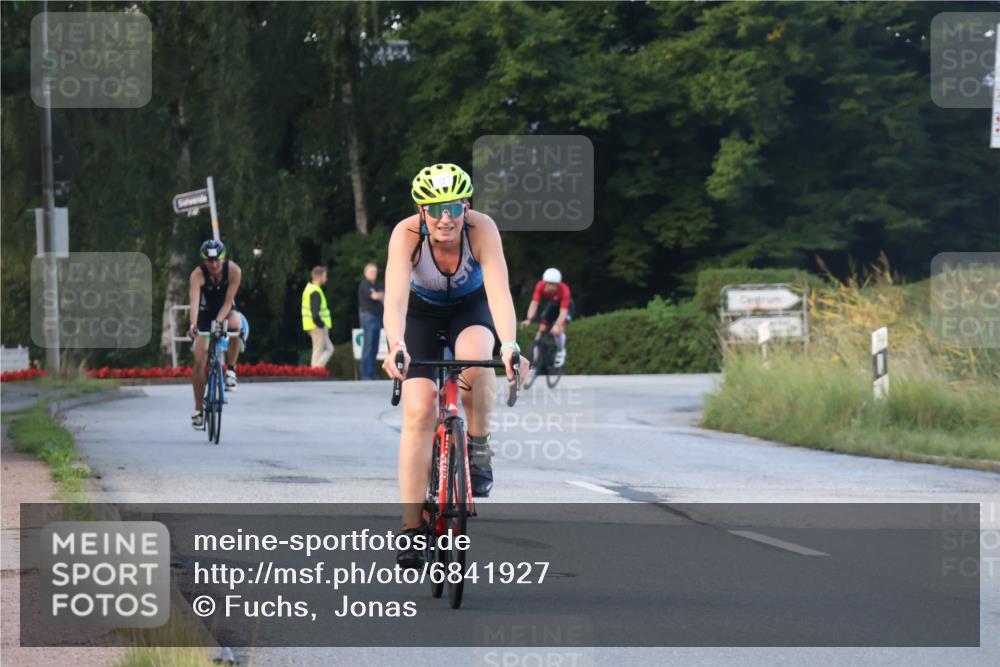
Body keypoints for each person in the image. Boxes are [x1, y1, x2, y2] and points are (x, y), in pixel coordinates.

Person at [382, 163, 528, 568]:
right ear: (421, 211)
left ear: (467, 206)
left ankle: (478, 447)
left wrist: (510, 345)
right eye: (434, 209)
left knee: (477, 363)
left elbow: (498, 292)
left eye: (454, 207)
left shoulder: (482, 229)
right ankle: (412, 529)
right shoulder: (406, 234)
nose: (445, 218)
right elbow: (395, 299)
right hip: (420, 316)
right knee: (418, 409)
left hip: (470, 309)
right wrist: (396, 345)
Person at [187, 240, 249, 430]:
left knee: (236, 326)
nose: (214, 264)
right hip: (204, 314)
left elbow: (228, 302)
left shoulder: (234, 271)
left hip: (225, 310)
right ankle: (198, 410)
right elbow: (194, 303)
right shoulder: (197, 275)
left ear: (223, 258)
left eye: (217, 260)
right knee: (199, 359)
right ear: (204, 260)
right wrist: (193, 325)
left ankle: (231, 369)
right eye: (209, 260)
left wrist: (219, 322)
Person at [520, 267, 572, 367]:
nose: (550, 287)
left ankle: (561, 350)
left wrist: (557, 325)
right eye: (548, 283)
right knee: (541, 330)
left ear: (558, 284)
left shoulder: (564, 290)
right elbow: (534, 303)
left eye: (553, 284)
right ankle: (535, 361)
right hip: (553, 304)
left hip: (565, 307)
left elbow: (563, 312)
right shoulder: (540, 285)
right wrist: (529, 319)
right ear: (544, 282)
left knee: (557, 330)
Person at [302, 266, 334, 368]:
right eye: (325, 276)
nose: (326, 278)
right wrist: (321, 324)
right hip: (317, 326)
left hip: (313, 325)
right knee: (318, 351)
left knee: (329, 348)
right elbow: (315, 313)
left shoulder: (310, 289)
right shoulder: (315, 291)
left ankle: (317, 369)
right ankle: (315, 371)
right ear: (319, 277)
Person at [357, 262, 384, 380]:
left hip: (377, 318)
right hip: (368, 317)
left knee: (375, 346)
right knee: (368, 346)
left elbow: (384, 296)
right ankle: (366, 374)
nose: (374, 274)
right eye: (371, 271)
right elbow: (375, 296)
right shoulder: (364, 284)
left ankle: (372, 373)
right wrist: (380, 295)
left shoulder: (377, 285)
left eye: (375, 271)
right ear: (365, 273)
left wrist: (379, 295)